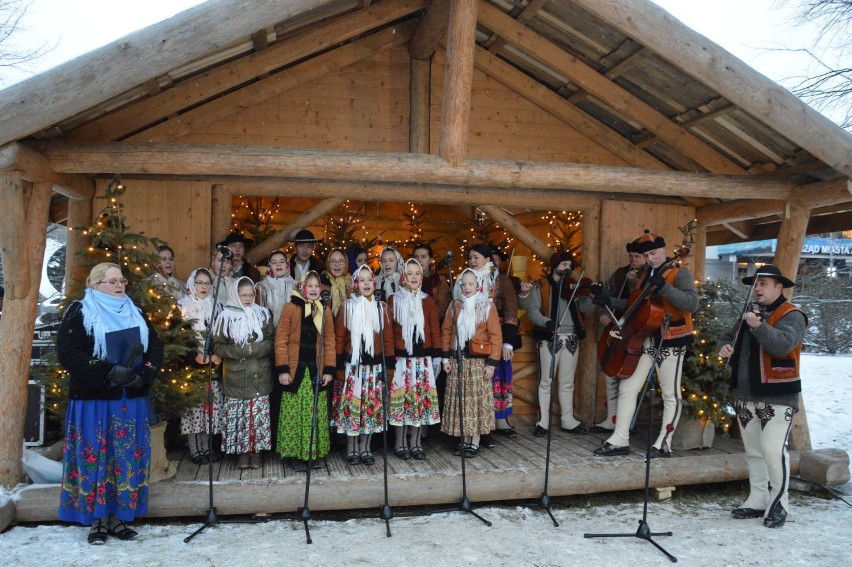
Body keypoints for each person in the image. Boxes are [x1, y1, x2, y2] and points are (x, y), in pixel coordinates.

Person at [56, 262, 164, 545]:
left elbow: (154, 346)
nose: (119, 286)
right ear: (95, 285)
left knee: (125, 458)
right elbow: (68, 353)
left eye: (122, 280)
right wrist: (106, 371)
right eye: (112, 281)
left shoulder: (135, 311)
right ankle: (97, 520)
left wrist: (145, 374)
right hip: (94, 400)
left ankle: (119, 517)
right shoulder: (80, 312)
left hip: (129, 398)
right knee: (97, 457)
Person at [593, 230, 698, 458]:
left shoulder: (679, 273)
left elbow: (692, 303)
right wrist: (609, 300)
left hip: (672, 340)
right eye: (647, 255)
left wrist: (665, 288)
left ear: (663, 250)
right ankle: (620, 439)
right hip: (646, 340)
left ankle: (664, 443)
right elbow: (636, 304)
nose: (651, 258)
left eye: (654, 253)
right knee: (628, 387)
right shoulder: (644, 276)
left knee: (670, 394)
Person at [718, 265, 807, 529]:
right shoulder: (749, 313)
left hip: (778, 394)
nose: (757, 288)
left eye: (764, 283)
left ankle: (779, 502)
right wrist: (723, 345)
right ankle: (757, 498)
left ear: (779, 287)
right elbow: (728, 335)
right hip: (745, 393)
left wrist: (758, 327)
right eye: (756, 284)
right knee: (754, 451)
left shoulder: (793, 315)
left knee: (772, 450)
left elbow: (782, 344)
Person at [519, 251, 593, 437]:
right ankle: (543, 422)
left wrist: (593, 296)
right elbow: (531, 311)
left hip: (571, 338)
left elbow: (586, 308)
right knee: (546, 381)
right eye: (563, 265)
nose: (567, 269)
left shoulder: (575, 287)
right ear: (554, 267)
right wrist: (547, 322)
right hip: (550, 337)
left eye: (569, 265)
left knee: (567, 382)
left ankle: (568, 420)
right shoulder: (542, 286)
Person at [274, 271, 336, 472]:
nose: (313, 289)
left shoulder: (324, 309)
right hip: (295, 371)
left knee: (314, 412)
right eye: (309, 286)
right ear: (302, 288)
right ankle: (292, 454)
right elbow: (281, 340)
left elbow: (329, 342)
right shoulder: (290, 308)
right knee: (294, 413)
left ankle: (311, 452)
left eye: (317, 286)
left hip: (315, 371)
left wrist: (328, 369)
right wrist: (283, 369)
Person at [333, 264, 395, 466]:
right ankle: (352, 448)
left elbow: (388, 339)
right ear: (356, 284)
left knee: (370, 408)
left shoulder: (382, 308)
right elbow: (340, 338)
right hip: (354, 367)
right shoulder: (347, 307)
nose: (366, 283)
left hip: (374, 367)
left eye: (370, 280)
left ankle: (365, 447)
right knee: (353, 407)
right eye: (362, 280)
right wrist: (340, 368)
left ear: (374, 283)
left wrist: (389, 368)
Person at [460, 243, 519, 446]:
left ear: (487, 259)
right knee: (475, 391)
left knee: (494, 385)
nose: (472, 261)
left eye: (476, 257)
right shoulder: (466, 279)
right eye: (470, 258)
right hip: (472, 342)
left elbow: (511, 312)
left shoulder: (501, 281)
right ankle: (476, 432)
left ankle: (493, 426)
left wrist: (508, 343)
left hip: (495, 340)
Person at [213, 276, 275, 469]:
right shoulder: (225, 317)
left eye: (250, 295)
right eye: (243, 295)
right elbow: (218, 347)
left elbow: (272, 340)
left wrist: (254, 350)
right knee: (240, 418)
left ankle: (256, 452)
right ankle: (242, 453)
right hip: (236, 376)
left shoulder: (262, 314)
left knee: (257, 417)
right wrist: (240, 351)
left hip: (260, 374)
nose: (247, 299)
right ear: (235, 295)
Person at [441, 268, 502, 457]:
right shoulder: (455, 305)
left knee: (474, 403)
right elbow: (447, 332)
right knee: (461, 402)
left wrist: (491, 364)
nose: (467, 287)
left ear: (478, 285)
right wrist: (445, 358)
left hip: (478, 362)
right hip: (458, 360)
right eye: (463, 284)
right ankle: (463, 439)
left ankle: (473, 441)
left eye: (470, 284)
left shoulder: (487, 306)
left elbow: (496, 336)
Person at [589, 239, 646, 433]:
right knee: (610, 373)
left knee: (629, 381)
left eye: (637, 257)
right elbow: (606, 296)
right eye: (631, 257)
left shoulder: (647, 276)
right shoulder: (620, 273)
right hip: (614, 330)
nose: (633, 260)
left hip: (635, 332)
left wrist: (633, 284)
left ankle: (626, 422)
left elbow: (636, 303)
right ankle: (612, 418)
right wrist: (604, 313)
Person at [387, 259, 442, 459]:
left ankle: (416, 442)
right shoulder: (394, 300)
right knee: (401, 402)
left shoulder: (427, 300)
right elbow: (389, 332)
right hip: (401, 360)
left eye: (417, 274)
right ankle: (400, 443)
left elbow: (435, 330)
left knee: (418, 402)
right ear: (403, 276)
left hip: (422, 360)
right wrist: (390, 357)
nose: (413, 277)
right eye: (409, 273)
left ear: (421, 277)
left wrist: (437, 357)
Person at [178, 268, 224, 464]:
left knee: (209, 408)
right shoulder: (182, 306)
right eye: (199, 282)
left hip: (212, 364)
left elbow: (223, 335)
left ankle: (207, 447)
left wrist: (218, 354)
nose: (203, 287)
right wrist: (194, 356)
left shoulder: (218, 306)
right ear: (192, 284)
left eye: (207, 283)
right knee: (194, 410)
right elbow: (178, 341)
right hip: (192, 366)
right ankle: (195, 448)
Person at [255, 250, 296, 327]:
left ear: (287, 265)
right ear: (270, 266)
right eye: (274, 262)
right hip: (268, 331)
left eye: (282, 262)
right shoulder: (261, 287)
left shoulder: (295, 286)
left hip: (291, 330)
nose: (278, 265)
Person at [413, 243, 451, 322]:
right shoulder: (407, 280)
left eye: (423, 257)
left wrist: (424, 320)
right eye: (416, 257)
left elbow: (442, 308)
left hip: (431, 325)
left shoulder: (439, 280)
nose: (419, 260)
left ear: (430, 260)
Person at [322, 248, 353, 317]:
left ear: (346, 263)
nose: (337, 264)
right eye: (333, 261)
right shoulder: (321, 283)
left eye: (341, 261)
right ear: (328, 264)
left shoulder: (351, 283)